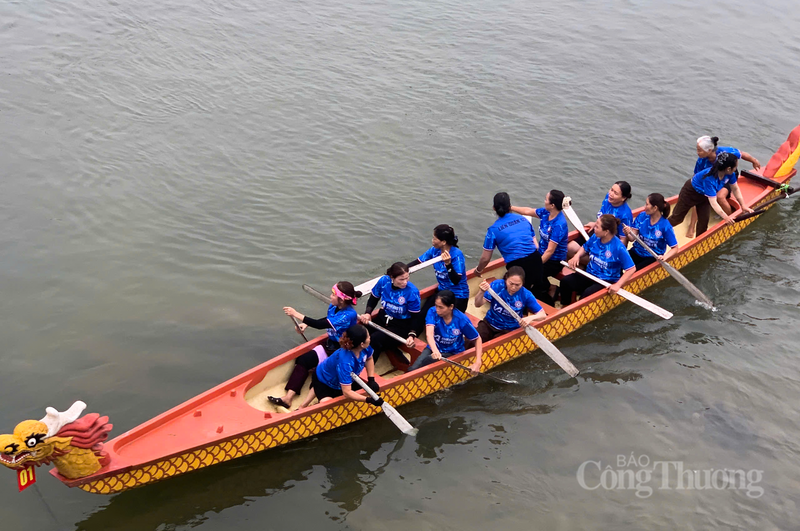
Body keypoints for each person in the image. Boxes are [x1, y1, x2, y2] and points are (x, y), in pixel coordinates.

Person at [268, 281, 362, 410]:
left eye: (333, 294)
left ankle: (305, 406)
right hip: (330, 345)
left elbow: (320, 325)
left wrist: (296, 314)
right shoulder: (334, 306)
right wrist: (306, 324)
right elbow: (327, 319)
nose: (330, 296)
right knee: (304, 360)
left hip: (342, 351)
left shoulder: (349, 314)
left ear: (341, 299)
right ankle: (288, 398)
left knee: (321, 374)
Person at [474, 192, 548, 301]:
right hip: (536, 260)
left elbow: (485, 258)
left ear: (494, 208)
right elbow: (535, 245)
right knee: (537, 291)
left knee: (517, 296)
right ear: (510, 206)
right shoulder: (523, 219)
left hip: (517, 267)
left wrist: (478, 270)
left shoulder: (493, 230)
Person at [685, 135, 762, 237]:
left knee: (720, 197)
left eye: (700, 150)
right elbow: (696, 177)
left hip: (728, 176)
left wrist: (754, 161)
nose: (697, 152)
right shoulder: (701, 160)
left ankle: (731, 218)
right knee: (698, 196)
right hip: (713, 179)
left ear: (709, 150)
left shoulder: (725, 152)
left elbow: (742, 154)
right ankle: (692, 225)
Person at [668, 151, 754, 237]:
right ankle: (660, 230)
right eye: (735, 167)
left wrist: (743, 205)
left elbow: (735, 189)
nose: (735, 169)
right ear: (728, 168)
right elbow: (714, 203)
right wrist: (726, 217)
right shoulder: (709, 178)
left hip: (705, 196)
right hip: (690, 193)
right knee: (677, 219)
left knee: (703, 223)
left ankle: (700, 241)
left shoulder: (731, 174)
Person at [298, 324, 384, 409]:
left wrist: (371, 379)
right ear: (361, 344)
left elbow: (369, 359)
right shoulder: (346, 363)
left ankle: (304, 404)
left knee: (363, 390)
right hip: (323, 380)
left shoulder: (366, 348)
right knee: (328, 405)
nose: (370, 338)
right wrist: (368, 400)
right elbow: (347, 392)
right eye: (368, 337)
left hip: (341, 379)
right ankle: (304, 406)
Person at [560, 215, 636, 306]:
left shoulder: (619, 248)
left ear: (606, 232)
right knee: (566, 282)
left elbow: (631, 269)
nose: (594, 229)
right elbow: (585, 247)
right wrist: (577, 256)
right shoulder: (595, 237)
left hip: (606, 280)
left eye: (597, 227)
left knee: (586, 295)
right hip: (590, 273)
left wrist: (617, 285)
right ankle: (566, 305)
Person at [510, 189, 569, 303]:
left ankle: (547, 292)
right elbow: (528, 211)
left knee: (532, 276)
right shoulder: (546, 212)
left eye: (546, 199)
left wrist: (536, 265)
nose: (544, 201)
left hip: (554, 260)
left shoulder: (559, 225)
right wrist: (511, 208)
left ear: (552, 205)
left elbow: (550, 251)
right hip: (540, 252)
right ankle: (546, 286)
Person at [408, 290, 483, 374]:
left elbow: (477, 339)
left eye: (441, 307)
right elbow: (429, 334)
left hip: (453, 352)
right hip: (434, 347)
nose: (437, 310)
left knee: (428, 360)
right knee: (413, 369)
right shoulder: (432, 312)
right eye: (436, 306)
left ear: (451, 306)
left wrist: (478, 362)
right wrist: (435, 350)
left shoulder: (461, 320)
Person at [359, 262, 421, 363]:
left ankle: (367, 367)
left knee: (375, 339)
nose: (405, 282)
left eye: (407, 278)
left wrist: (412, 335)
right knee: (359, 332)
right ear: (392, 277)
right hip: (383, 318)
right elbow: (374, 298)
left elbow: (416, 318)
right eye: (401, 279)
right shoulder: (384, 281)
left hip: (401, 325)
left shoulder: (412, 292)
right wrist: (368, 313)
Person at [566, 181, 634, 267]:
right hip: (598, 232)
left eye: (615, 193)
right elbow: (603, 215)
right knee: (570, 248)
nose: (611, 194)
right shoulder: (608, 197)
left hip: (609, 241)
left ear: (623, 198)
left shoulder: (625, 215)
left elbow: (623, 240)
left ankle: (598, 264)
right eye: (611, 190)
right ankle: (593, 261)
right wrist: (596, 223)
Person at [473, 266, 547, 342]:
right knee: (473, 340)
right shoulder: (497, 285)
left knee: (496, 344)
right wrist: (481, 292)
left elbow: (542, 315)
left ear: (522, 283)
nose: (513, 288)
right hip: (489, 323)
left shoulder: (526, 295)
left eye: (517, 285)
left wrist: (530, 318)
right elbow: (477, 304)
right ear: (506, 279)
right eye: (511, 283)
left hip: (509, 329)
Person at [407, 224, 470, 312]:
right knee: (421, 316)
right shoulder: (434, 250)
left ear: (443, 242)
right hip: (441, 291)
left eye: (434, 238)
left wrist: (448, 264)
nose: (432, 241)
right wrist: (399, 270)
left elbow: (456, 280)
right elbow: (417, 262)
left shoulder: (457, 255)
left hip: (458, 295)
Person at [623, 193, 679, 269]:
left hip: (652, 257)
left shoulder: (665, 226)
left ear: (655, 208)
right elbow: (632, 238)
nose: (644, 207)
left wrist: (664, 257)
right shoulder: (642, 216)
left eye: (647, 204)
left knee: (634, 271)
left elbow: (675, 248)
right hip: (637, 250)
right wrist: (628, 233)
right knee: (617, 262)